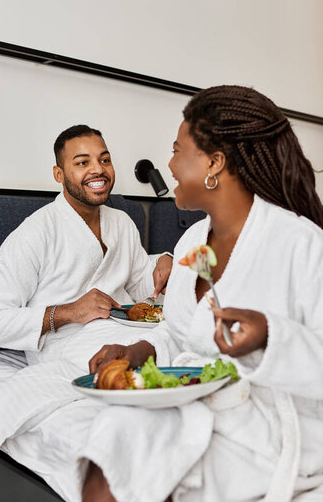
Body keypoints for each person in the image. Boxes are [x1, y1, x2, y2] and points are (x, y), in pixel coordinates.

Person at [81, 85, 323, 502]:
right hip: (204, 411)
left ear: (214, 163)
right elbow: (182, 336)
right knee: (115, 436)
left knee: (132, 459)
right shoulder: (193, 240)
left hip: (272, 433)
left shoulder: (300, 243)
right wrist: (140, 349)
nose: (170, 164)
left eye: (178, 150)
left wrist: (269, 335)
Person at [0, 124, 172, 371]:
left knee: (188, 341)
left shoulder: (121, 222)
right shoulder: (34, 234)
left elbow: (138, 285)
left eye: (105, 159)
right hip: (68, 345)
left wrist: (162, 264)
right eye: (82, 163)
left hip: (125, 331)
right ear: (59, 174)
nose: (98, 169)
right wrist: (69, 312)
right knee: (136, 368)